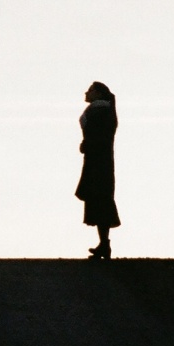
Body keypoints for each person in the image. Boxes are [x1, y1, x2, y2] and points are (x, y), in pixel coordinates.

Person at [75, 81, 120, 259]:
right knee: (99, 199)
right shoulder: (101, 110)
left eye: (90, 90)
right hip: (97, 160)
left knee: (100, 198)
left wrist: (87, 144)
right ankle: (104, 243)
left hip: (98, 162)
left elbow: (98, 135)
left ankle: (104, 244)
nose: (86, 93)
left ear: (98, 93)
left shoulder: (100, 111)